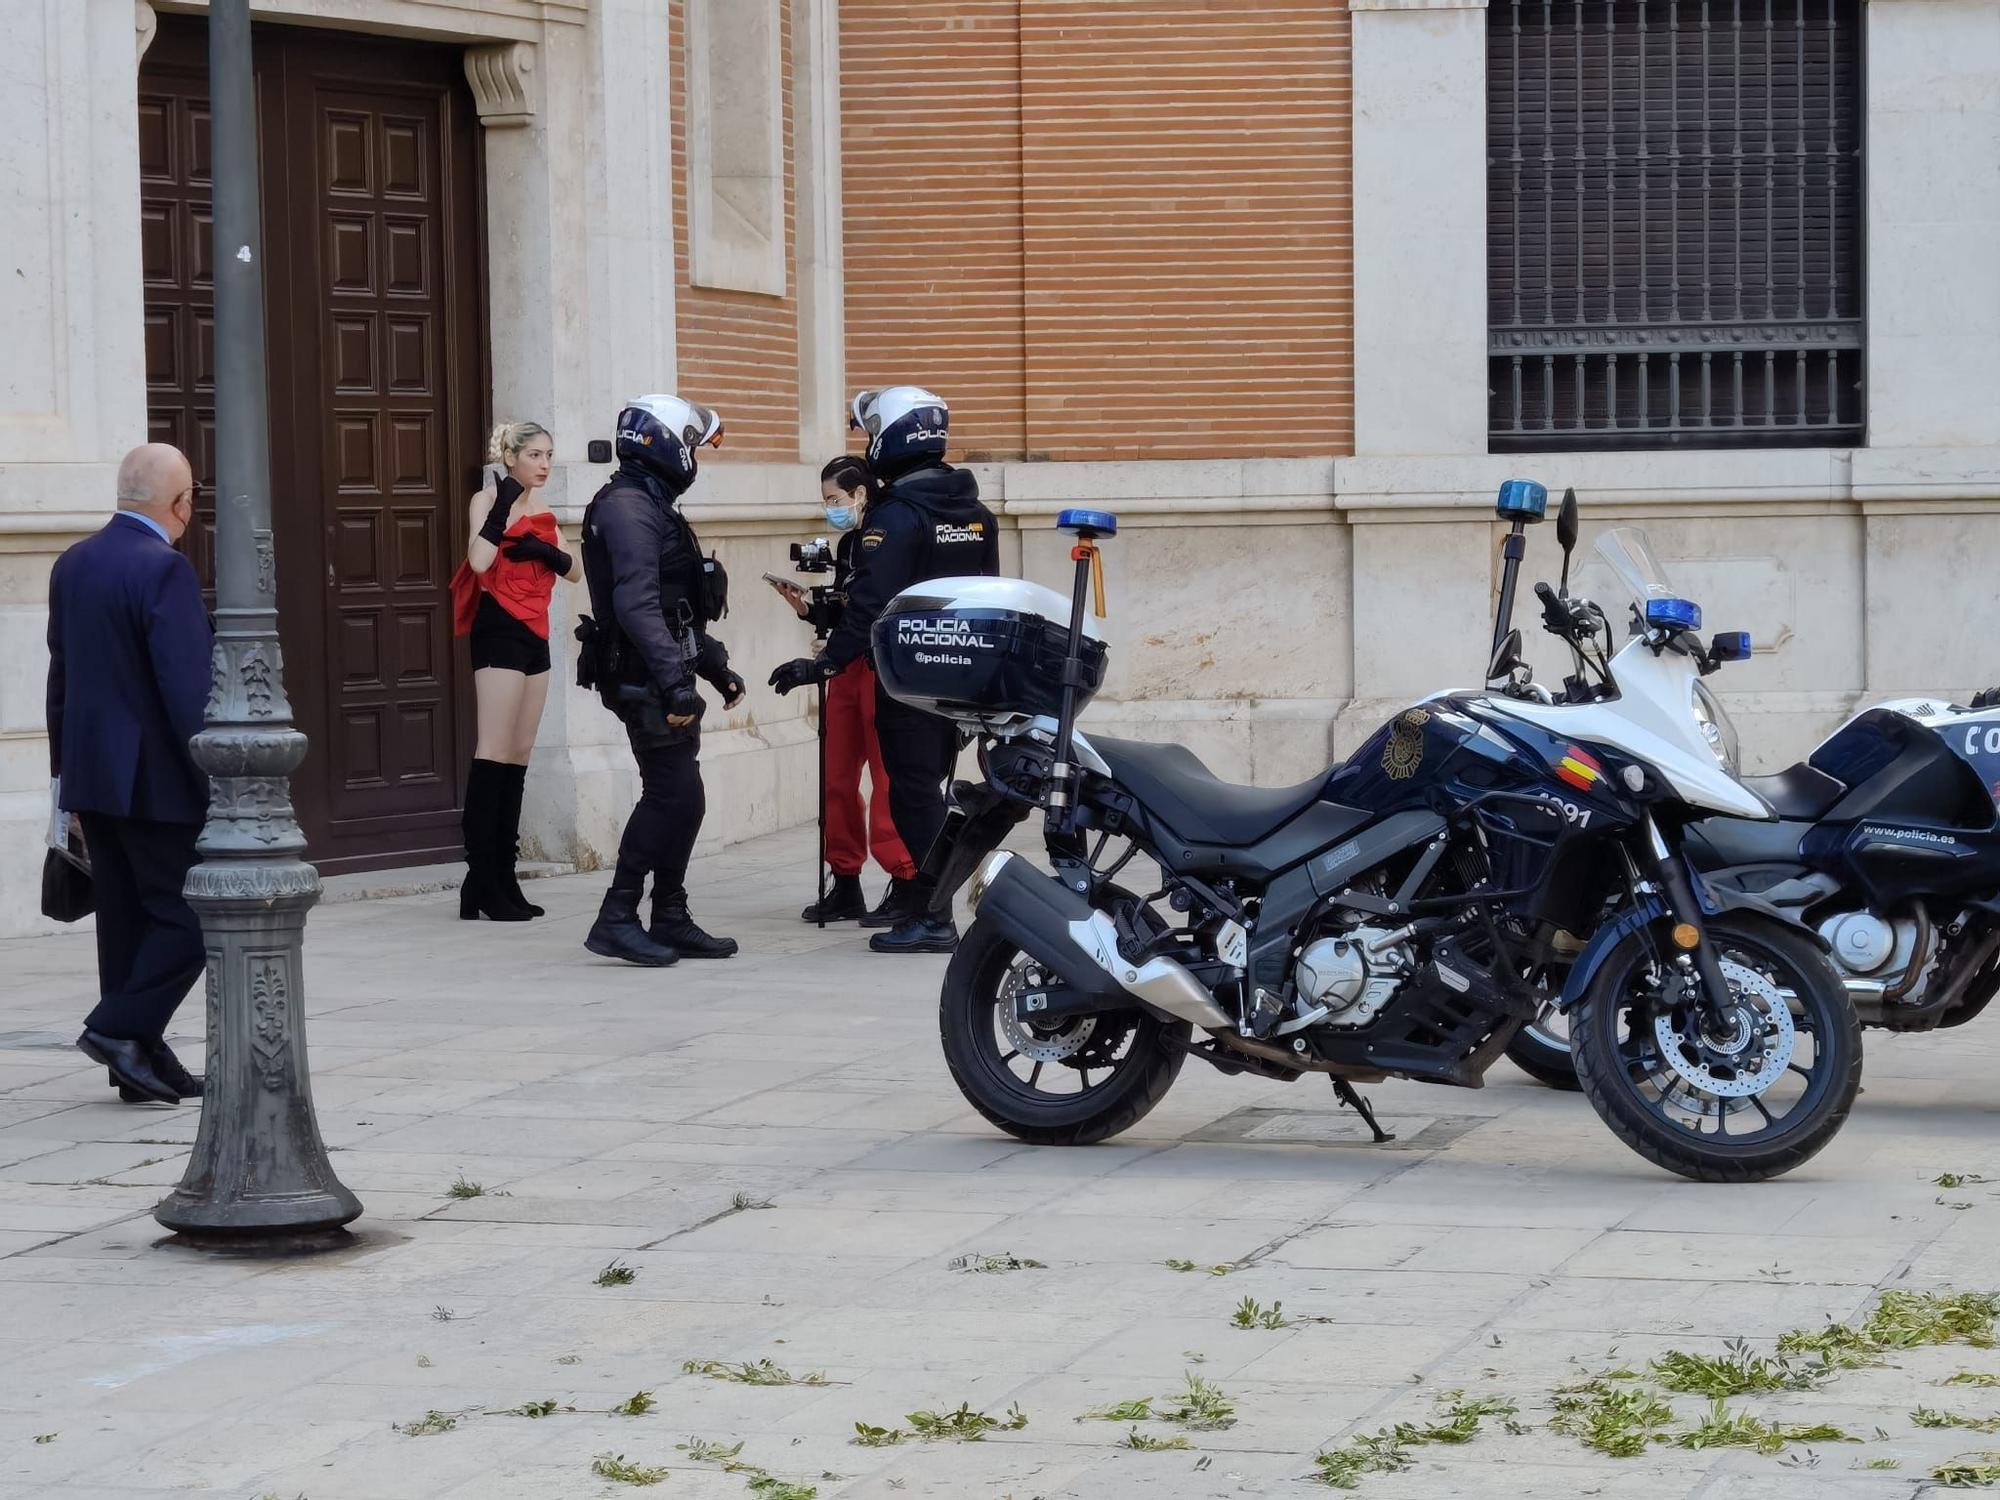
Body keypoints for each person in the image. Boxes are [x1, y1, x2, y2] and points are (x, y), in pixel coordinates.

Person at [769, 387, 998, 954]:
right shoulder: (974, 514)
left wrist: (823, 662)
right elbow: (985, 595)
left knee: (913, 795)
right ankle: (927, 905)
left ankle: (932, 915)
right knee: (929, 789)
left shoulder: (897, 515)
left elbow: (870, 602)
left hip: (906, 674)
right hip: (955, 672)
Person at [45, 443, 213, 1105]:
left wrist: (66, 784)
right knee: (196, 916)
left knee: (125, 922)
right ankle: (116, 1030)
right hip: (159, 782)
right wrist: (216, 779)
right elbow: (186, 691)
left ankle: (136, 1062)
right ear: (180, 504)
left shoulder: (74, 562)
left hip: (94, 777)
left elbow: (61, 680)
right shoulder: (163, 569)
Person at [577, 394, 746, 966]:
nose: (694, 455)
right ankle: (616, 915)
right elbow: (637, 605)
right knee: (670, 793)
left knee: (685, 797)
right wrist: (677, 682)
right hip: (641, 674)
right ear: (668, 444)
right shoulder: (627, 506)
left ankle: (669, 914)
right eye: (692, 443)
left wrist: (713, 666)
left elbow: (679, 607)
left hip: (660, 669)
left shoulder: (651, 502)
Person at [768, 457, 918, 926]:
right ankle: (845, 881)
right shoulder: (852, 542)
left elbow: (878, 606)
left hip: (880, 668)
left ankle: (905, 879)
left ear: (860, 495)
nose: (831, 508)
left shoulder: (889, 534)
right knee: (836, 777)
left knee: (887, 777)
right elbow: (851, 611)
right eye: (826, 500)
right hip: (845, 668)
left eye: (836, 500)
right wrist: (808, 611)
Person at [451, 421, 576, 921]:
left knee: (520, 755)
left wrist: (548, 550)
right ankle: (481, 875)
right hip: (498, 628)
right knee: (493, 751)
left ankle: (504, 874)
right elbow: (479, 560)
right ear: (511, 457)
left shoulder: (545, 508)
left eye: (549, 454)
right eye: (535, 455)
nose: (544, 464)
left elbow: (576, 569)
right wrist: (504, 504)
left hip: (536, 632)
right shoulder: (486, 499)